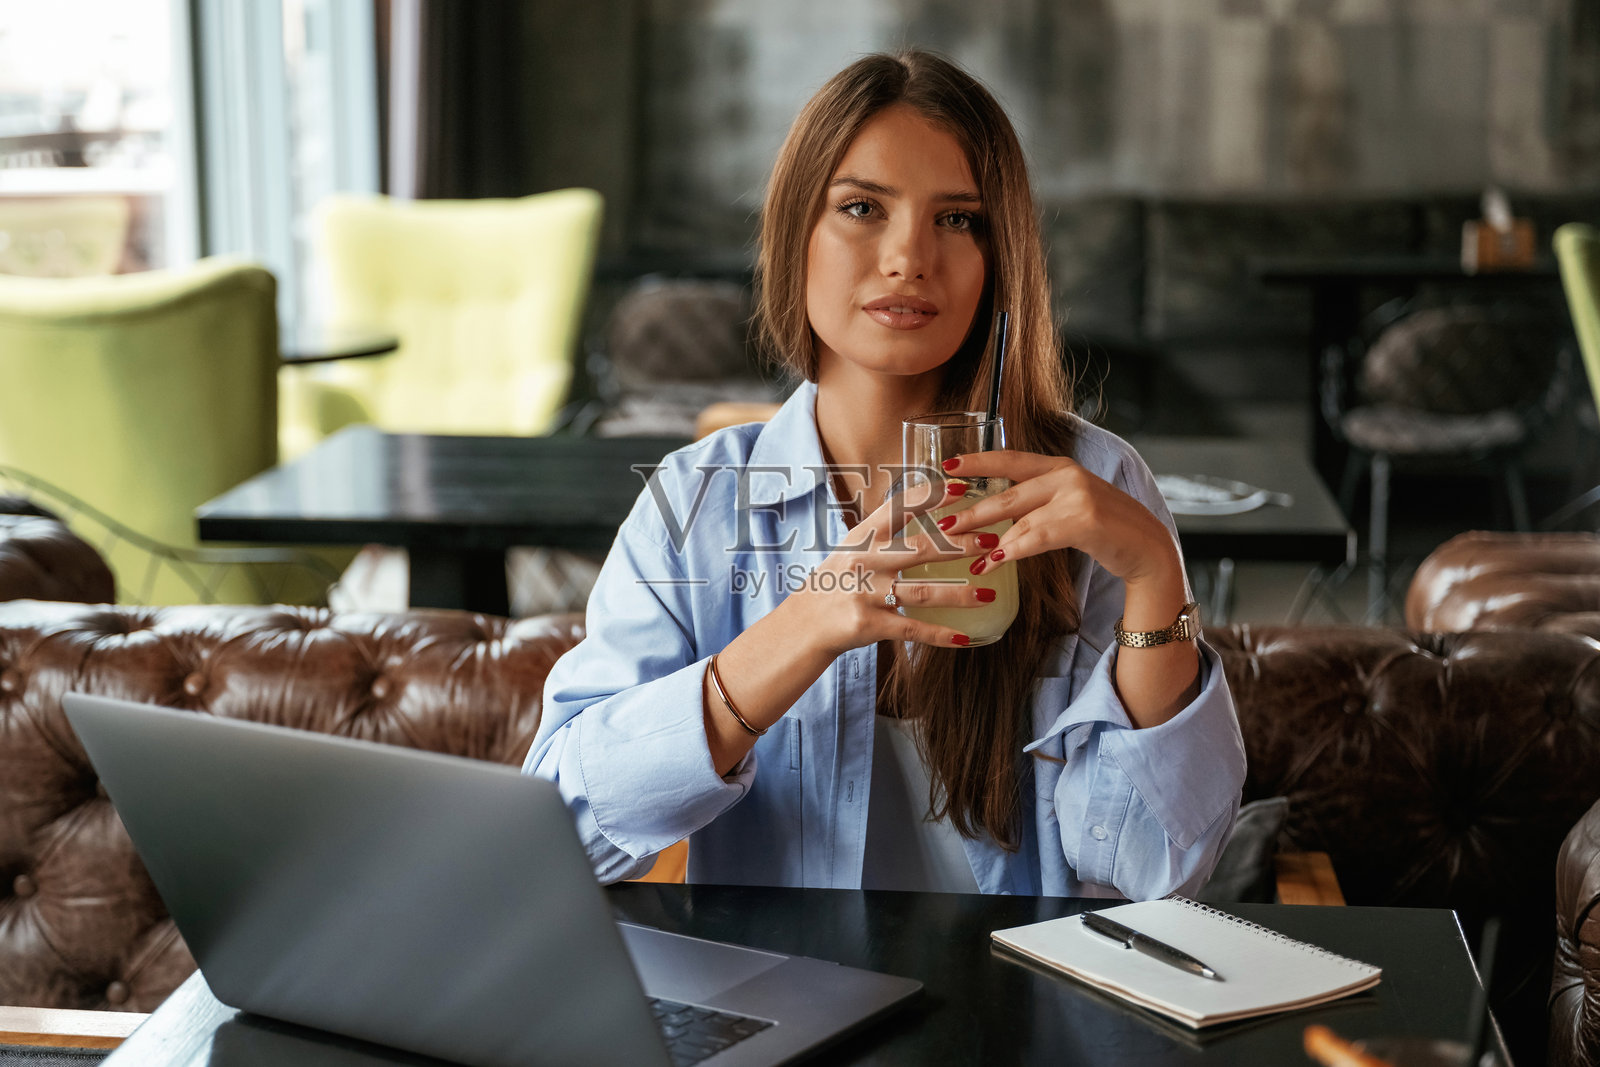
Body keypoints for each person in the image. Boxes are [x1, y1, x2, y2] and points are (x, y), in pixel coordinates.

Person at [525, 50, 1245, 899]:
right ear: (797, 233)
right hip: (789, 1012)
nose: (908, 257)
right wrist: (796, 634)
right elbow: (559, 835)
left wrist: (1157, 573)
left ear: (997, 256)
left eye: (958, 219)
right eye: (862, 207)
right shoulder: (698, 498)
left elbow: (1160, 869)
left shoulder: (1093, 480)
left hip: (1022, 1010)